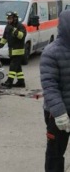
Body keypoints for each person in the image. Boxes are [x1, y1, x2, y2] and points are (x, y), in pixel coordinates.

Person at [41, 10, 70, 172]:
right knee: (55, 154)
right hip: (57, 114)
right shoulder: (51, 52)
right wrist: (59, 113)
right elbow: (49, 86)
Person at [0, 11, 26, 88]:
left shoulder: (20, 26)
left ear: (15, 18)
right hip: (11, 50)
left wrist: (13, 30)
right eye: (8, 19)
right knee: (17, 68)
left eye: (10, 19)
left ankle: (9, 83)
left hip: (18, 51)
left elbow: (21, 36)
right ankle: (21, 82)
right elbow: (4, 39)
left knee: (12, 67)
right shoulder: (8, 27)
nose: (8, 20)